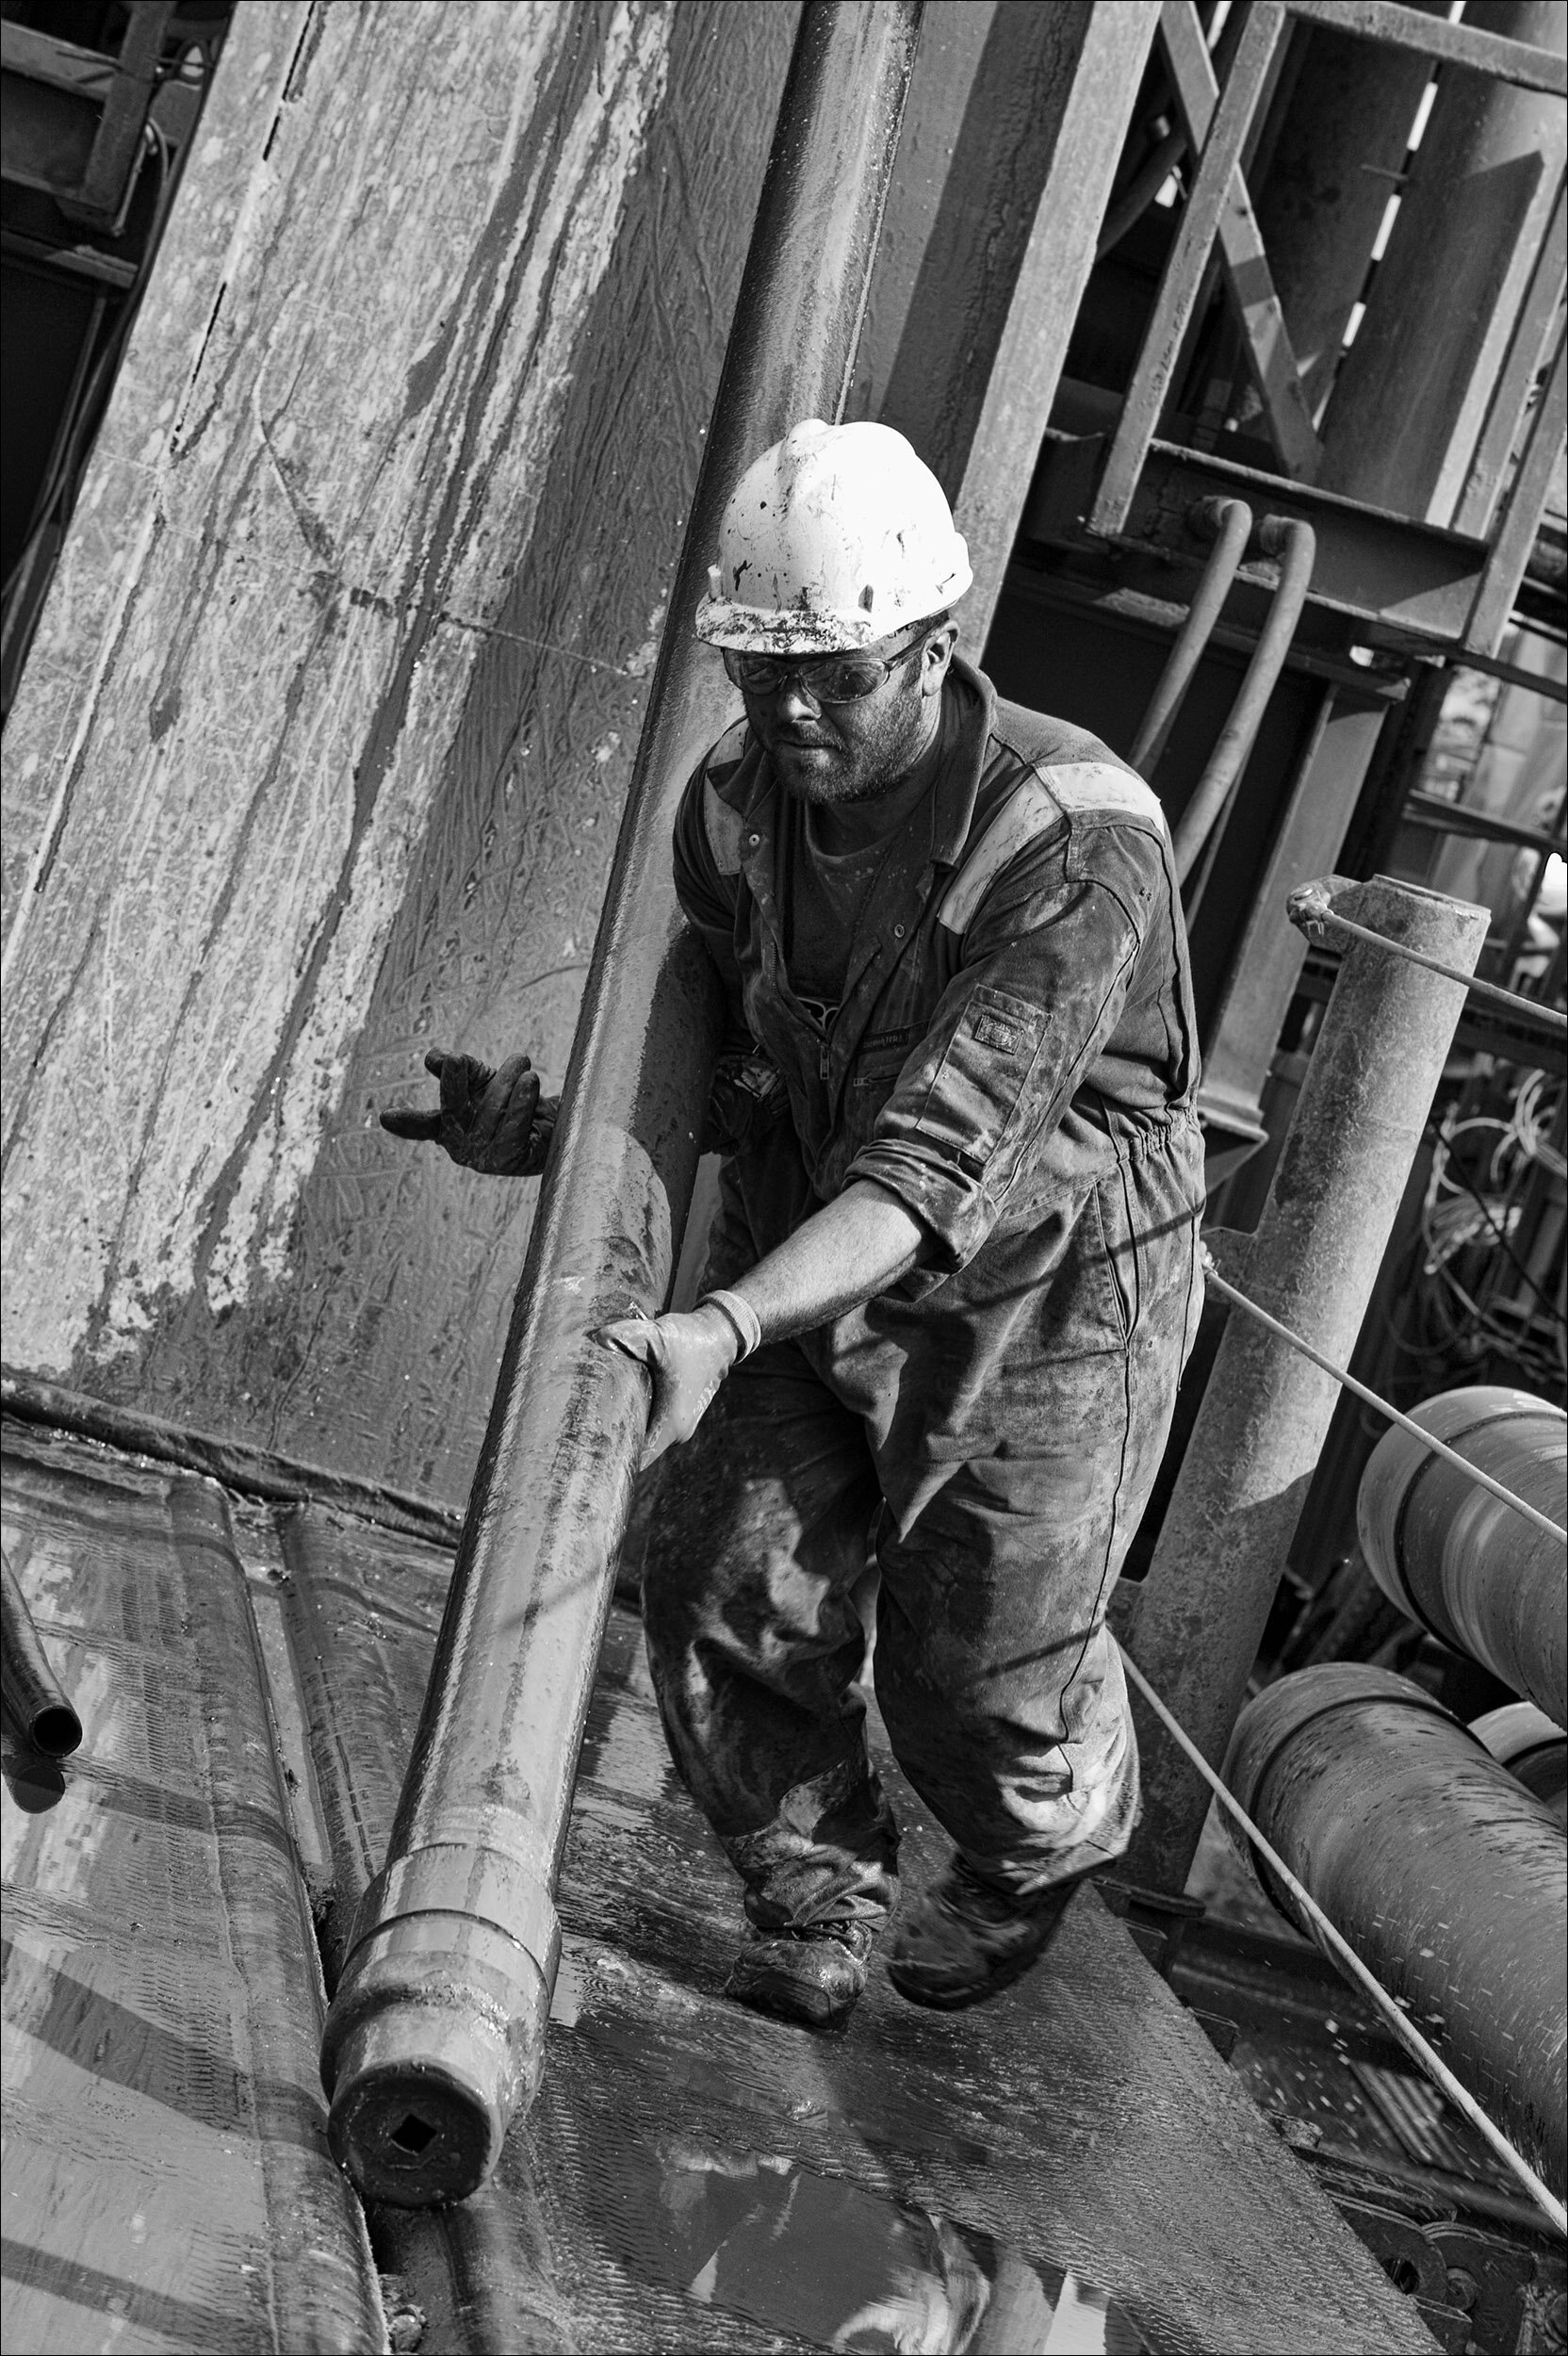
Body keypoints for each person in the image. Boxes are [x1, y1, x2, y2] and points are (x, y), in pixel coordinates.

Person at [383, 419, 1205, 2031]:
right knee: (717, 1572)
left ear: (933, 643)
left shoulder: (1072, 844)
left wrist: (727, 1317)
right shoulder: (738, 804)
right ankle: (817, 1888)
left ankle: (1037, 1850)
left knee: (978, 1675)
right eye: (763, 674)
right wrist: (555, 1127)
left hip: (1043, 1277)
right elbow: (726, 1049)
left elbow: (939, 1156)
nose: (793, 713)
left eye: (834, 673)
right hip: (810, 1217)